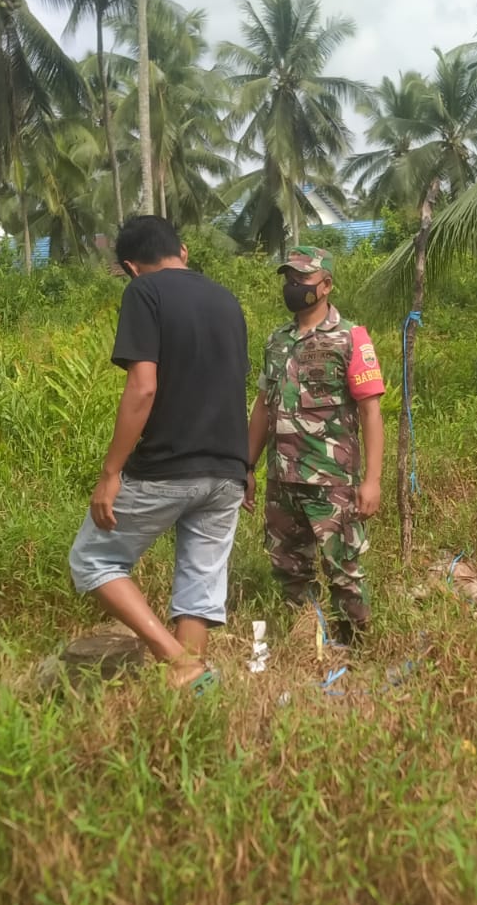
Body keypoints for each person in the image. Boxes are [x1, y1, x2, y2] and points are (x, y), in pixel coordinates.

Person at [67, 215, 250, 694]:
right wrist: (245, 465)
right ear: (183, 251)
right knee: (199, 583)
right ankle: (192, 692)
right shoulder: (227, 300)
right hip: (227, 468)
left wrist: (110, 474)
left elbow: (143, 388)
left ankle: (177, 661)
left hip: (168, 465)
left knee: (92, 561)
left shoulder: (144, 293)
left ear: (130, 266)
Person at [245, 245, 386, 652]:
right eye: (288, 279)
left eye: (301, 279)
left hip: (331, 480)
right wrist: (247, 466)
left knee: (344, 571)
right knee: (289, 569)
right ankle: (307, 644)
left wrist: (372, 480)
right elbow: (262, 406)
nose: (293, 287)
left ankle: (358, 651)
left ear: (326, 285)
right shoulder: (277, 340)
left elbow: (370, 412)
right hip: (282, 479)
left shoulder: (351, 338)